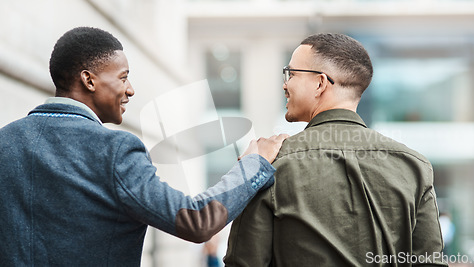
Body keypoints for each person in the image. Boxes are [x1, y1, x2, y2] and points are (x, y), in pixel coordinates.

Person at [0, 27, 287, 266]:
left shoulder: (5, 141)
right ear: (88, 80)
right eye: (123, 77)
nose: (131, 89)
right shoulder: (115, 151)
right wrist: (253, 163)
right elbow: (197, 219)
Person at [224, 33, 447, 266]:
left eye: (291, 73)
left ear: (320, 83)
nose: (285, 84)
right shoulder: (414, 167)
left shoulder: (269, 163)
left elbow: (244, 262)